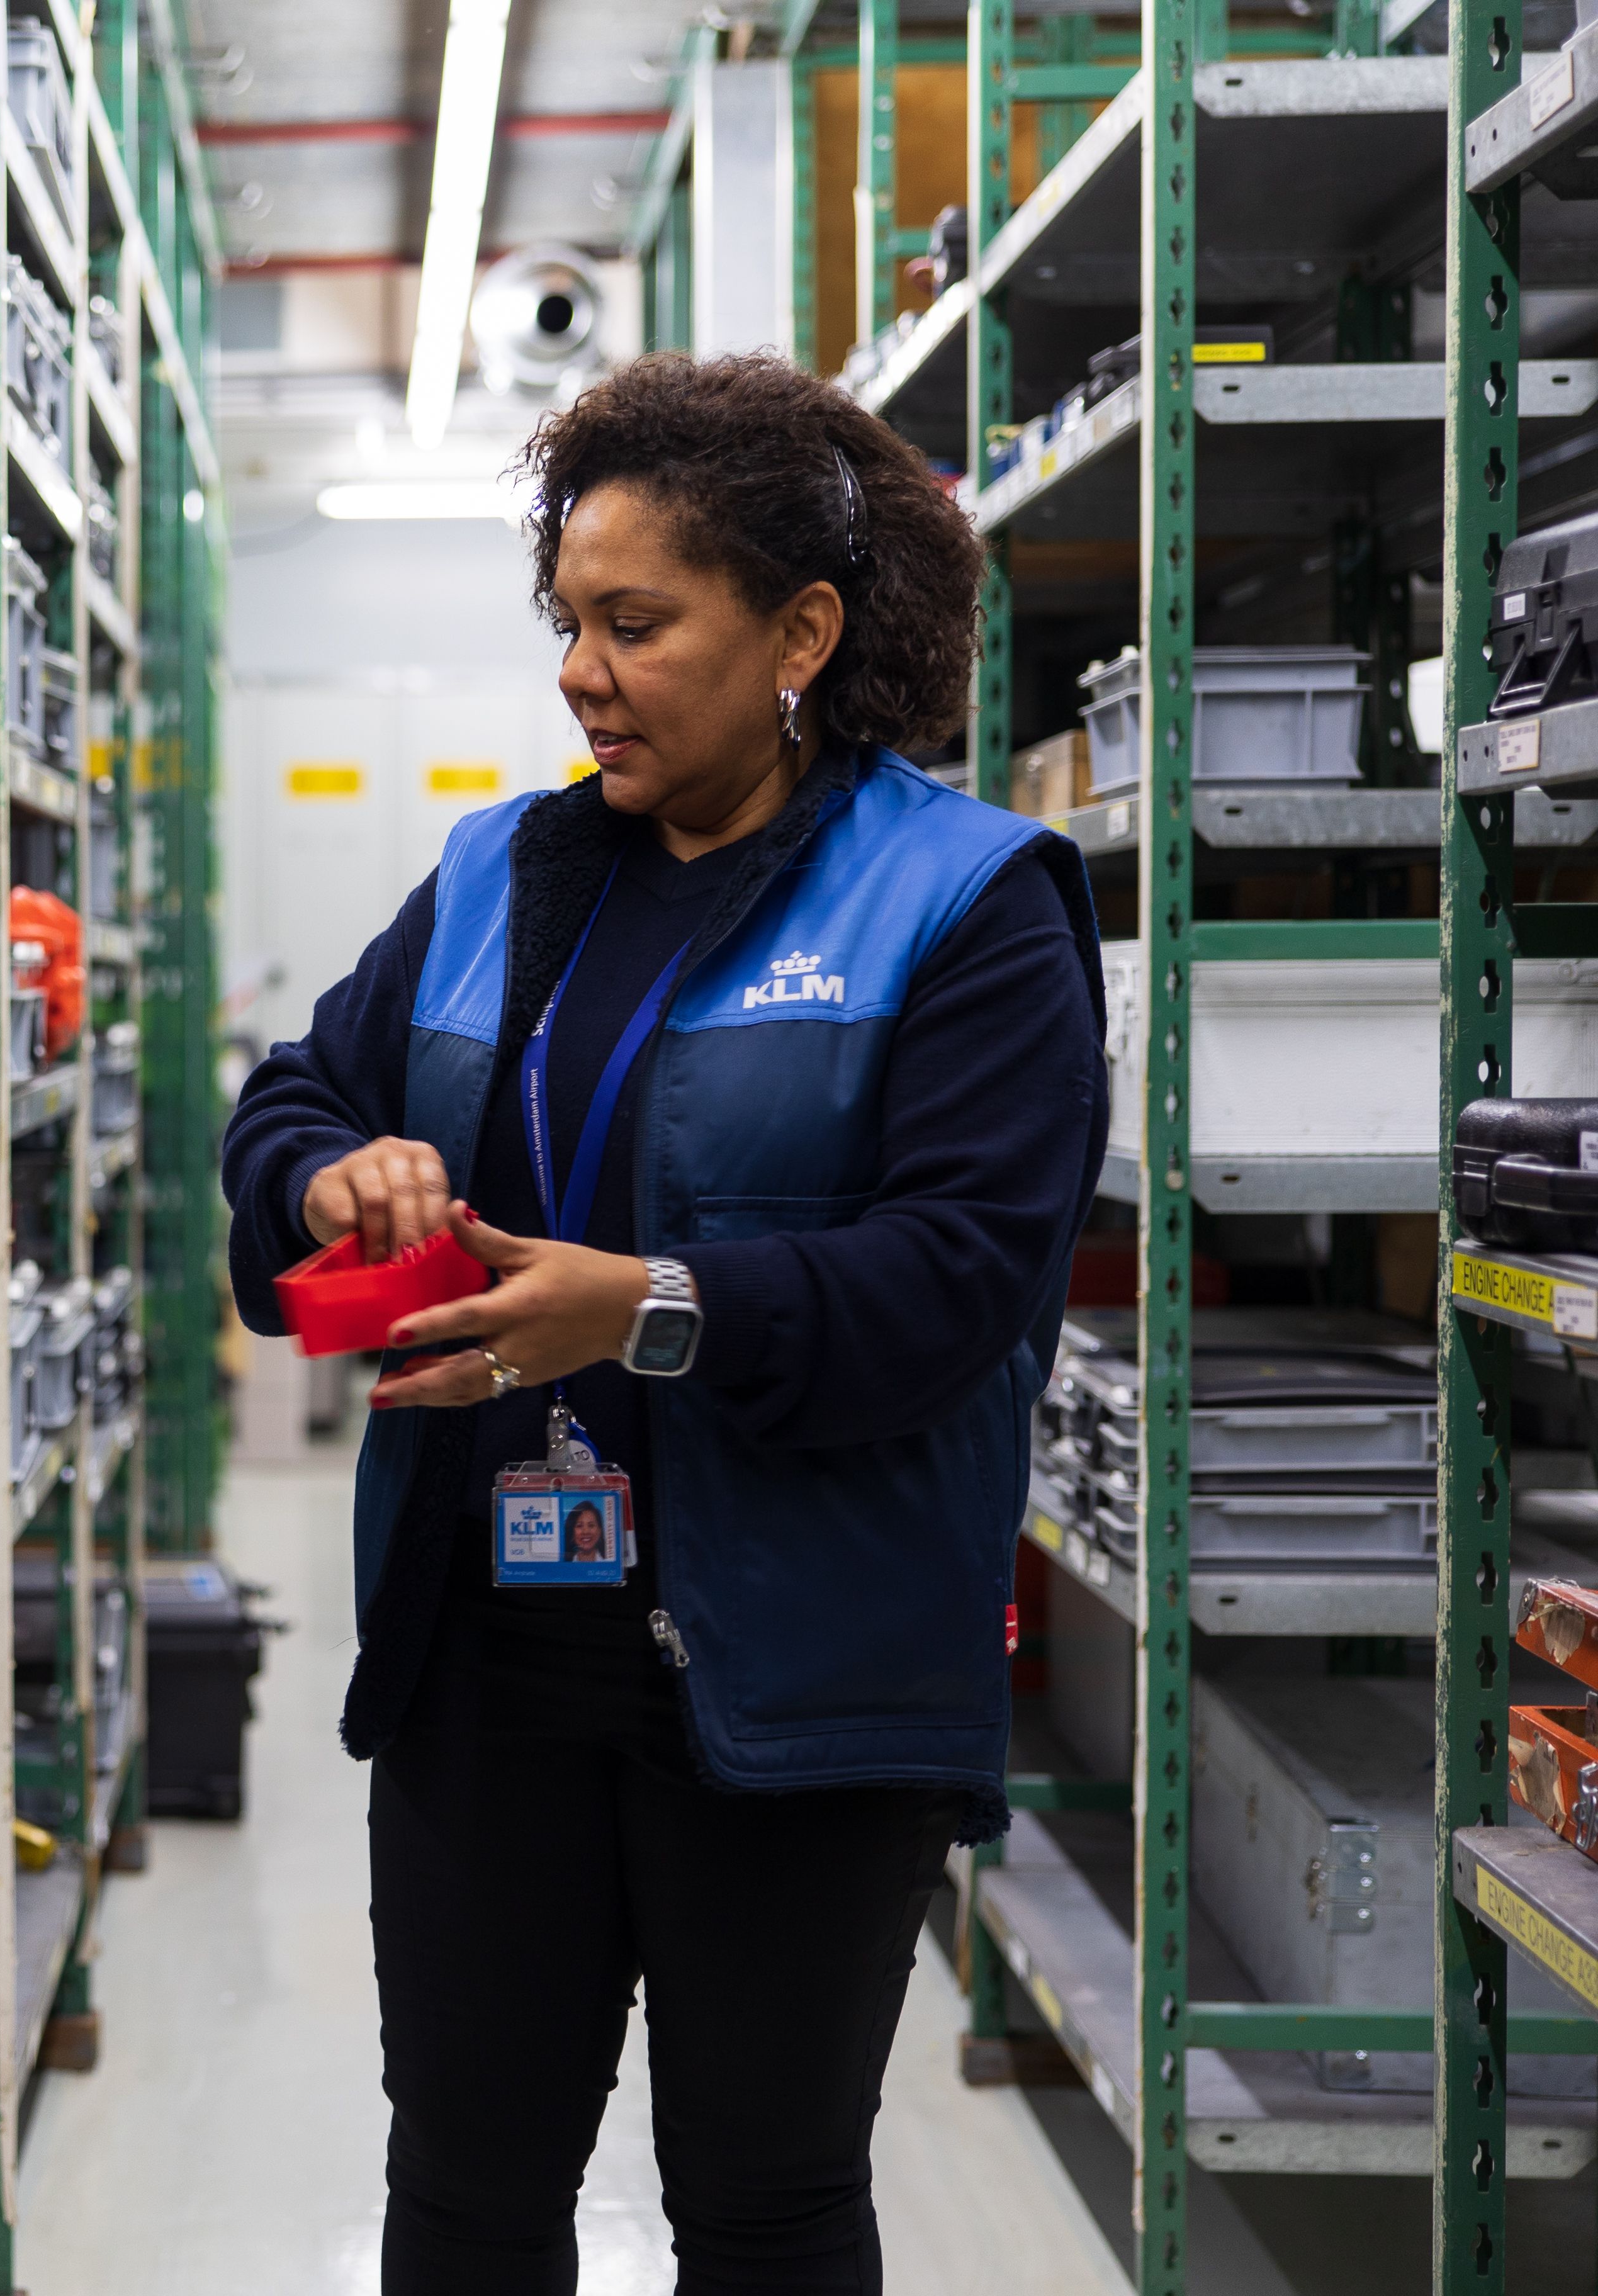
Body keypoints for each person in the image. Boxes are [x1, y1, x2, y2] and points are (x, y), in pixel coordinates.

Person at [220, 353, 1106, 2294]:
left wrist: (647, 1313)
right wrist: (331, 1174)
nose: (581, 675)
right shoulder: (502, 871)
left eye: (636, 625)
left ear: (801, 635)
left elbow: (963, 1277)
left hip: (799, 1677)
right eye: (568, 623)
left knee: (768, 2206)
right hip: (488, 1658)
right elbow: (296, 1093)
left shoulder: (965, 902)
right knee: (467, 2193)